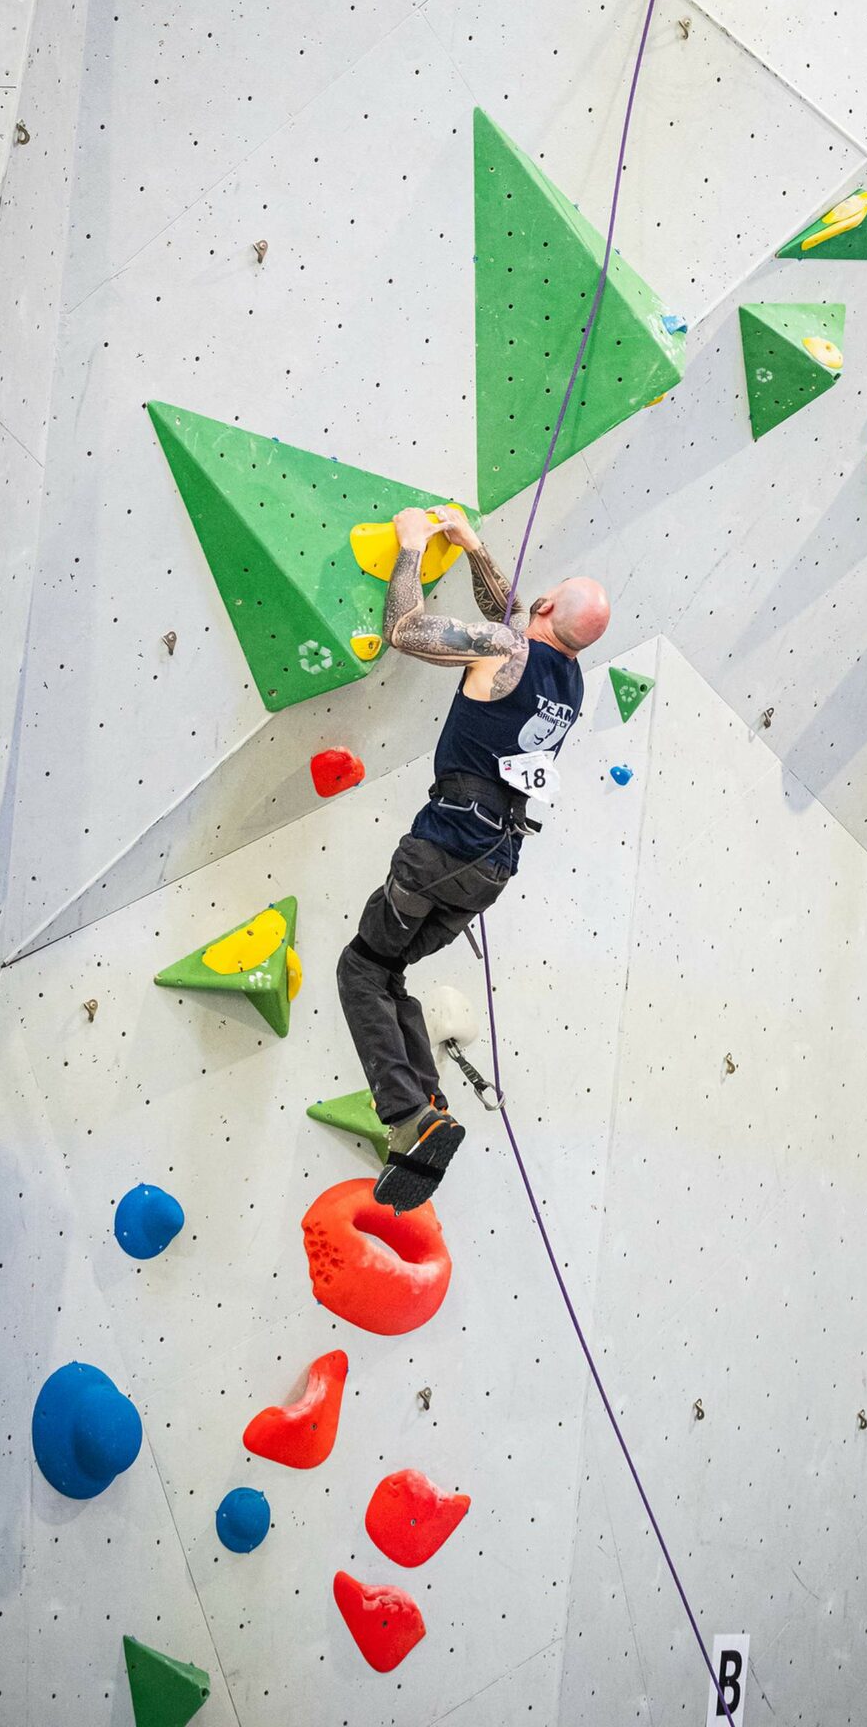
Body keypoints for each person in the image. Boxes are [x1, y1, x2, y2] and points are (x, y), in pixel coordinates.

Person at [337, 505, 610, 1213]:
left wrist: (411, 548)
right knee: (388, 971)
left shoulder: (507, 648)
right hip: (493, 866)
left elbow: (404, 629)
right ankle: (425, 1110)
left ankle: (404, 1114)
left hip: (445, 841)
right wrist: (469, 544)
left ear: (548, 606)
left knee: (360, 968)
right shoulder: (569, 681)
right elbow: (515, 615)